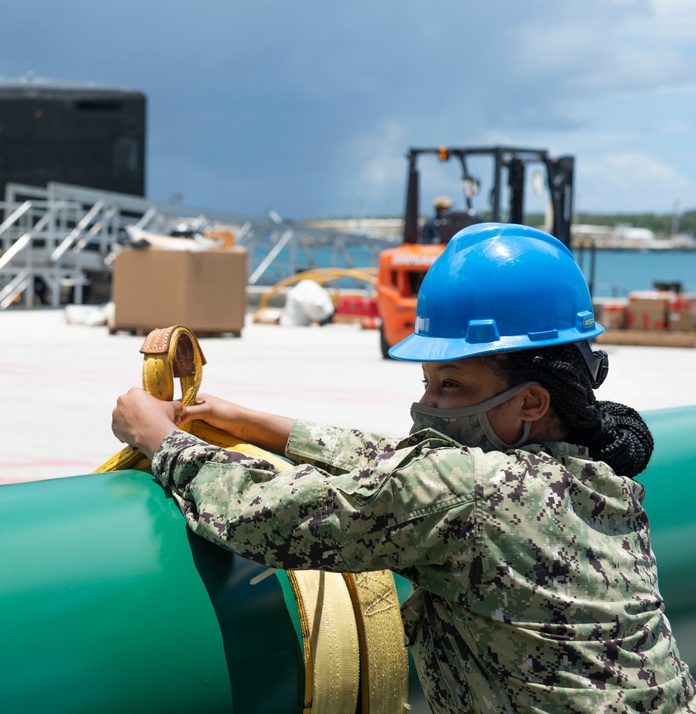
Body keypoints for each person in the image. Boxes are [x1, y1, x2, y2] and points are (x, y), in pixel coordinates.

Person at [111, 223, 695, 712]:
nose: (427, 407)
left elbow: (267, 516)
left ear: (531, 403)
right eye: (427, 383)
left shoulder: (471, 491)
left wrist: (161, 440)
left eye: (451, 386)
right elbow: (408, 469)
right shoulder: (600, 476)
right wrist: (254, 423)